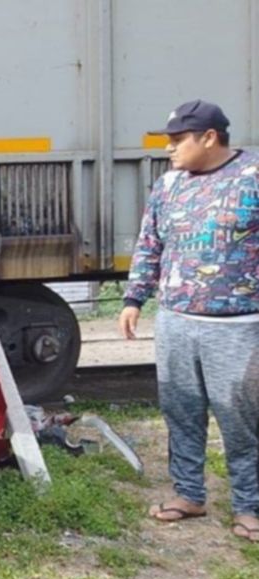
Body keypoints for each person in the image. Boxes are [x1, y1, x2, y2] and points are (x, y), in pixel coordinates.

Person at [119, 99, 259, 543]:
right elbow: (150, 244)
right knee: (181, 411)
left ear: (210, 137)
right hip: (176, 321)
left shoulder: (253, 176)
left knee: (242, 419)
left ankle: (250, 507)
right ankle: (188, 494)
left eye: (178, 140)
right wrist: (134, 298)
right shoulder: (168, 185)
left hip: (238, 326)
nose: (169, 148)